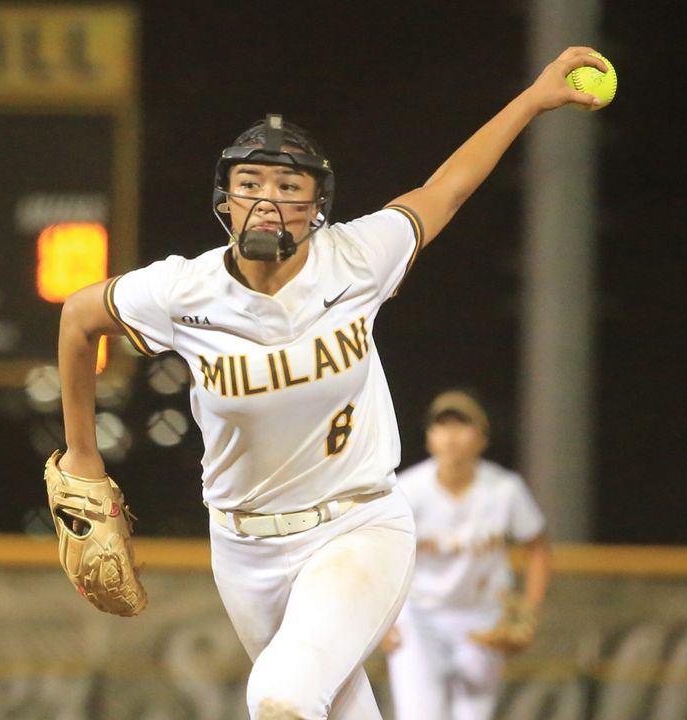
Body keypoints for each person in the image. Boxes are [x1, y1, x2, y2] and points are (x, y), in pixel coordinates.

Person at [53, 47, 607, 720]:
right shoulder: (184, 290)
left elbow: (448, 187)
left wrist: (530, 100)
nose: (268, 199)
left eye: (290, 187)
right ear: (225, 198)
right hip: (242, 548)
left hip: (358, 527)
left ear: (317, 204)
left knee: (280, 698)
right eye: (251, 181)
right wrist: (83, 456)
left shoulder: (357, 258)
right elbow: (79, 318)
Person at [381, 390, 552, 720]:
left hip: (481, 618)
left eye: (462, 425)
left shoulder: (505, 489)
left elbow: (538, 549)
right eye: (442, 426)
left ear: (482, 438)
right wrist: (380, 620)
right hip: (419, 618)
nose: (451, 436)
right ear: (429, 438)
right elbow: (378, 555)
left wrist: (530, 613)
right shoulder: (407, 489)